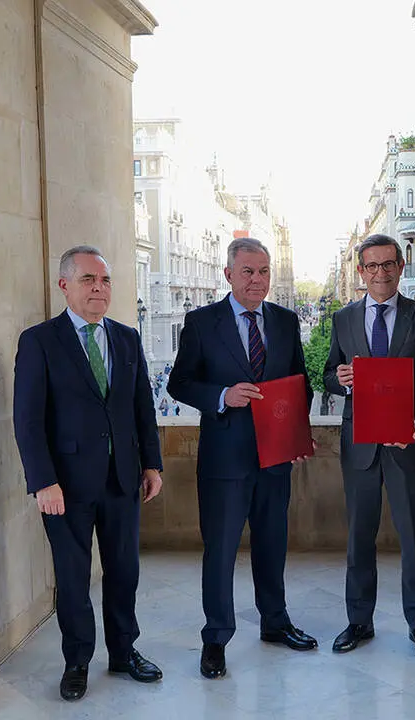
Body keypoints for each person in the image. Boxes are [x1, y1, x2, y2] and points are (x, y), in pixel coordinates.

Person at [13, 245, 164, 702]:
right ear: (65, 285)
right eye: (88, 280)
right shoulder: (40, 341)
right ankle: (77, 661)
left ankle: (123, 652)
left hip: (122, 480)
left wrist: (152, 463)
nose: (99, 288)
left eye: (105, 280)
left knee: (124, 571)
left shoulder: (126, 338)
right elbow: (28, 419)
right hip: (65, 487)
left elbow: (142, 408)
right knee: (74, 579)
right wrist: (43, 481)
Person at [167, 237, 317, 680]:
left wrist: (296, 437)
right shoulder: (201, 322)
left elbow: (300, 383)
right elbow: (179, 383)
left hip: (275, 457)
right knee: (220, 551)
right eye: (248, 271)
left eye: (264, 271)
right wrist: (222, 395)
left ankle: (275, 622)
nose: (257, 279)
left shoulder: (286, 321)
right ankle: (215, 638)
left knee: (272, 543)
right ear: (229, 274)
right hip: (224, 460)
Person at [323, 234, 415, 660]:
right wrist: (340, 379)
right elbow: (328, 375)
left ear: (401, 266)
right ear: (361, 271)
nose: (381, 273)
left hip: (407, 444)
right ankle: (359, 621)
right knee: (359, 537)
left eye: (388, 264)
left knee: (414, 539)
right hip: (360, 446)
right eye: (372, 266)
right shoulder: (343, 319)